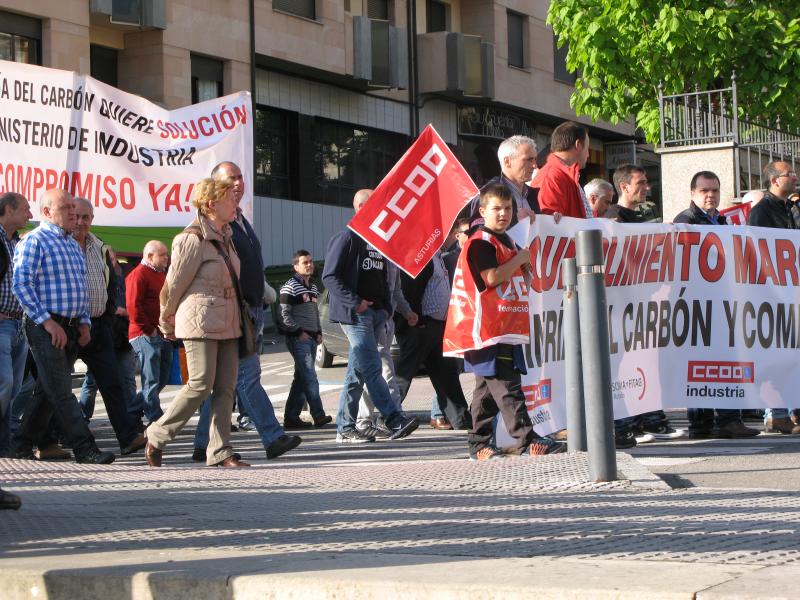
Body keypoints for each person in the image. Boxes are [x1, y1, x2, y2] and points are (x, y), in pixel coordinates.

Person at [444, 184, 566, 460]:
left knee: (486, 392)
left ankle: (479, 444)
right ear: (483, 211)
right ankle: (527, 440)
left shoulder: (507, 241)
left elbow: (523, 275)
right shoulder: (480, 243)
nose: (503, 214)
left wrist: (524, 262)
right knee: (507, 386)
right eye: (497, 209)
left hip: (505, 327)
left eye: (508, 208)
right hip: (488, 329)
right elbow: (491, 278)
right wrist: (520, 258)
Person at [191, 162, 301, 461]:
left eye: (241, 177)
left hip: (250, 308)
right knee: (246, 377)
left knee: (219, 385)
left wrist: (262, 291)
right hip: (232, 311)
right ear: (215, 187)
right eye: (231, 179)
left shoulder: (239, 219)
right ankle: (272, 436)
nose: (239, 183)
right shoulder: (212, 225)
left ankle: (202, 444)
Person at [144, 177, 249, 467]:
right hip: (200, 319)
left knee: (227, 387)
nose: (235, 202)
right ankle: (157, 434)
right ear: (211, 203)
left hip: (228, 319)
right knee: (201, 384)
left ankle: (219, 450)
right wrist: (166, 320)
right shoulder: (191, 238)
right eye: (230, 198)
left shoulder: (228, 236)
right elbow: (173, 285)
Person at [10, 188, 115, 464]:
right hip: (45, 325)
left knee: (48, 389)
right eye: (66, 207)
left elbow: (78, 288)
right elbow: (21, 284)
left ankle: (20, 444)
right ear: (47, 212)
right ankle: (85, 448)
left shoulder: (71, 243)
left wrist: (82, 323)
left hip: (70, 326)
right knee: (60, 389)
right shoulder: (34, 241)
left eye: (73, 207)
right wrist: (46, 322)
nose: (72, 212)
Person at [322, 188, 420, 443]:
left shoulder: (378, 241)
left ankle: (345, 427)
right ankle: (393, 419)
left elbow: (384, 280)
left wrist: (387, 308)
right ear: (363, 208)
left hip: (377, 314)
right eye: (378, 204)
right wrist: (357, 303)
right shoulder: (346, 238)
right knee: (373, 367)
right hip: (355, 316)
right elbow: (329, 276)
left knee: (357, 374)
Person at [55, 197, 146, 456]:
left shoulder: (100, 247)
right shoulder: (61, 244)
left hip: (98, 325)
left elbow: (113, 284)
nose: (81, 222)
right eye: (77, 216)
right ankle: (48, 437)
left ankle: (128, 437)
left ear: (92, 219)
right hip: (67, 325)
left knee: (112, 382)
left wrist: (107, 317)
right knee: (54, 385)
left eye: (86, 217)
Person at [673, 171, 760, 439]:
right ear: (692, 194)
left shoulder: (722, 222)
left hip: (722, 302)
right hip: (696, 304)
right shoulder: (684, 222)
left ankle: (727, 420)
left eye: (714, 190)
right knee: (699, 365)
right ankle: (701, 424)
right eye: (704, 191)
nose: (710, 195)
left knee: (725, 361)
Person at [607, 164, 685, 446]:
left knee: (642, 361)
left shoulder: (640, 216)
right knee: (623, 364)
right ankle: (626, 423)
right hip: (621, 303)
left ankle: (643, 419)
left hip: (640, 301)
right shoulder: (614, 218)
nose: (646, 187)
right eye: (640, 183)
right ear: (624, 187)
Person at [747, 161, 800, 434]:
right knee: (776, 355)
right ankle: (775, 412)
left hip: (791, 293)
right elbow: (758, 252)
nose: (794, 176)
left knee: (792, 354)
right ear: (774, 181)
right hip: (772, 294)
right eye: (788, 174)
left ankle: (791, 411)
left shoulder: (791, 209)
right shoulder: (761, 212)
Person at [394, 249, 471, 430]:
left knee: (446, 373)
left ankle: (460, 418)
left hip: (437, 325)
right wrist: (417, 320)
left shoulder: (438, 256)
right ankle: (388, 414)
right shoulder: (421, 256)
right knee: (404, 374)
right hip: (422, 325)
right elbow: (411, 290)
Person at [280, 250, 332, 428]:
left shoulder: (313, 287)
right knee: (310, 376)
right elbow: (283, 315)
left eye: (310, 261)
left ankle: (291, 417)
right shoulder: (290, 286)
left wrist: (318, 332)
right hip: (299, 339)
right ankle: (318, 415)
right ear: (296, 266)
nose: (309, 265)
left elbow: (314, 313)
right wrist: (298, 332)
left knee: (301, 378)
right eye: (305, 262)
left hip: (311, 337)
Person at [126, 240, 172, 427]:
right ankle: (156, 418)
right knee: (151, 380)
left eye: (166, 254)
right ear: (150, 256)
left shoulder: (159, 274)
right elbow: (133, 307)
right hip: (145, 334)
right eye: (162, 255)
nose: (166, 258)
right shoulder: (138, 275)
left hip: (160, 333)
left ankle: (130, 412)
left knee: (162, 378)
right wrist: (149, 329)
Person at [0, 192, 32, 456]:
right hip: (1, 323)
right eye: (25, 209)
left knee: (14, 388)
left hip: (17, 325)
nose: (29, 215)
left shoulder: (17, 243)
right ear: (8, 210)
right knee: (5, 383)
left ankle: (4, 444)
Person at [465, 135, 541, 227]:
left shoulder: (535, 195)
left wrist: (555, 221)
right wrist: (514, 219)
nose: (534, 165)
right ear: (507, 161)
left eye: (535, 159)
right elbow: (477, 233)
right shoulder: (488, 194)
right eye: (529, 160)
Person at [532, 121, 593, 219]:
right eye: (587, 148)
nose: (588, 155)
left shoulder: (564, 175)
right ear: (577, 145)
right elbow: (550, 224)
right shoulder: (552, 176)